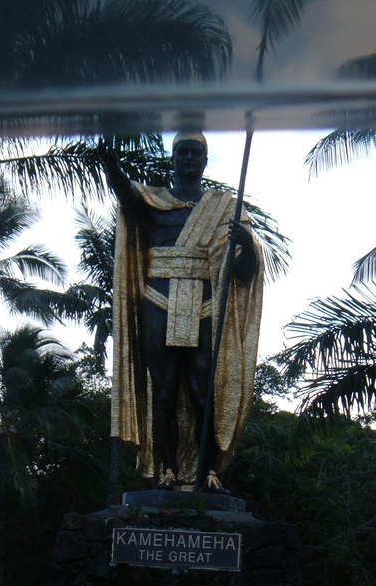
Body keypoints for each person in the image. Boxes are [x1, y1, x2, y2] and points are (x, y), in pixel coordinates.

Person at [101, 132, 263, 490]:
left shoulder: (224, 207)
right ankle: (168, 469)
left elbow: (246, 271)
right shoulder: (154, 200)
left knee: (202, 389)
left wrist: (246, 244)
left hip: (204, 303)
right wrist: (110, 165)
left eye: (195, 153)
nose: (188, 157)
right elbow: (125, 193)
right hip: (159, 298)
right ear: (173, 158)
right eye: (182, 152)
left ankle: (208, 471)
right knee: (164, 390)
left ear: (205, 161)